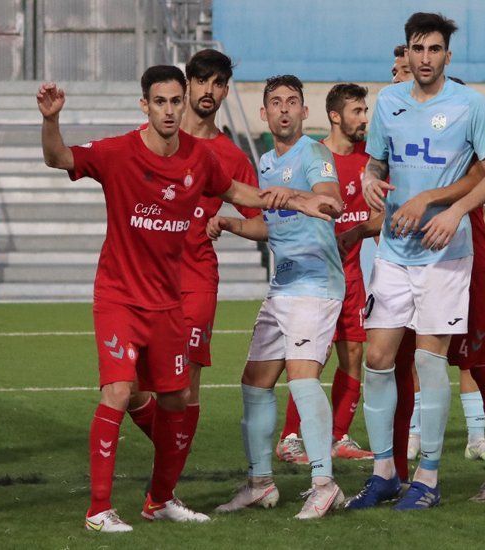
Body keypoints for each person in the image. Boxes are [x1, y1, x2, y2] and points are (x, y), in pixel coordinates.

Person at [38, 65, 339, 532]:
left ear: (184, 103)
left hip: (169, 302)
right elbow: (59, 158)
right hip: (119, 296)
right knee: (118, 391)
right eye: (159, 101)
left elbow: (239, 191)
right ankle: (98, 509)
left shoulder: (200, 157)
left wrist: (299, 201)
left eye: (175, 101)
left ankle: (159, 499)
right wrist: (52, 120)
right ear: (145, 105)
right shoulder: (119, 152)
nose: (169, 109)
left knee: (177, 400)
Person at [345, 12, 485, 511]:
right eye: (418, 48)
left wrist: (453, 209)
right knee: (378, 359)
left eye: (434, 49)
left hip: (445, 254)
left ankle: (429, 478)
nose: (425, 57)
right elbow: (376, 162)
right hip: (393, 250)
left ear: (447, 56)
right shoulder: (389, 100)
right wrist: (371, 179)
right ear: (407, 52)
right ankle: (384, 472)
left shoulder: (471, 105)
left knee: (431, 363)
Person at [208, 75, 346, 519]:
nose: (284, 109)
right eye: (275, 103)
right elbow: (271, 225)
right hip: (282, 286)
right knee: (254, 383)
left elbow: (332, 204)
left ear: (305, 113)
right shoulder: (264, 163)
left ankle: (325, 483)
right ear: (263, 114)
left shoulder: (315, 154)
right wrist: (231, 223)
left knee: (303, 380)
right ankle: (260, 484)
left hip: (316, 285)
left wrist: (298, 196)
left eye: (292, 102)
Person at [124, 49, 261, 469]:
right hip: (143, 279)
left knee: (184, 388)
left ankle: (167, 482)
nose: (210, 90)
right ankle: (172, 449)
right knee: (127, 388)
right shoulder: (149, 139)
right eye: (202, 81)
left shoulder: (232, 157)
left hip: (196, 279)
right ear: (186, 87)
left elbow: (263, 222)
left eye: (219, 83)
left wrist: (232, 224)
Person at [276, 83, 374, 463]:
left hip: (352, 278)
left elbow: (384, 216)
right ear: (335, 116)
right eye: (357, 111)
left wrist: (364, 230)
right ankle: (289, 437)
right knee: (311, 358)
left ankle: (339, 436)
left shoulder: (371, 163)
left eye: (365, 111)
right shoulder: (313, 157)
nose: (363, 118)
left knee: (354, 354)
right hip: (316, 279)